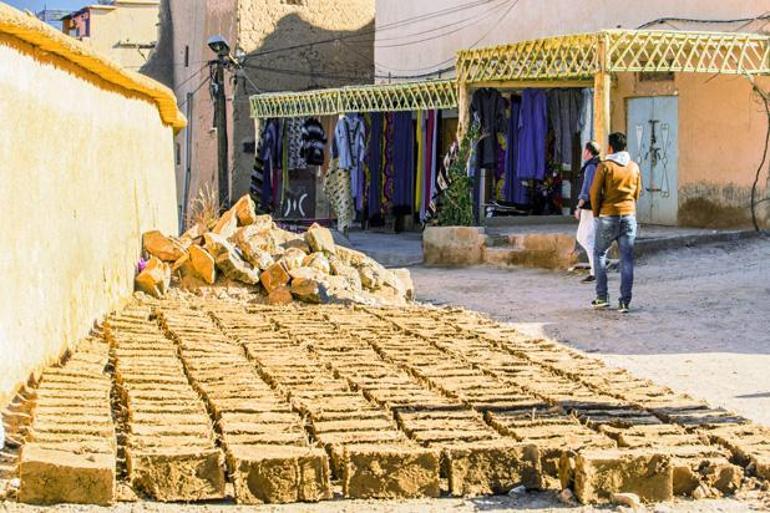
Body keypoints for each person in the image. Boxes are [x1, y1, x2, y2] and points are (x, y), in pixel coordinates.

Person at [589, 132, 642, 313]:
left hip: (608, 216)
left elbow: (594, 193)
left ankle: (602, 297)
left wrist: (597, 213)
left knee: (599, 254)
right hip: (629, 216)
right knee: (627, 259)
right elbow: (637, 192)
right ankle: (624, 302)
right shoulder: (634, 167)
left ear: (610, 147)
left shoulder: (605, 166)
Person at [575, 141, 601, 283]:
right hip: (595, 207)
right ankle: (599, 265)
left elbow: (586, 189)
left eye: (584, 150)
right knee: (587, 238)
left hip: (589, 207)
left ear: (588, 152)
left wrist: (579, 206)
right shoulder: (598, 164)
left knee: (585, 238)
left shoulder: (591, 166)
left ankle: (595, 270)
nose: (583, 152)